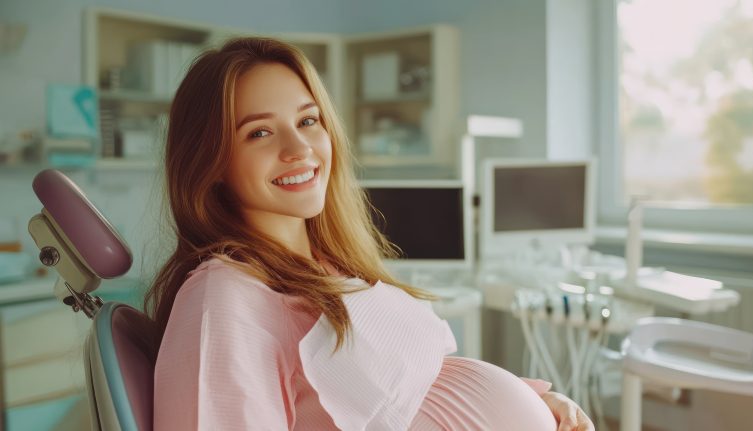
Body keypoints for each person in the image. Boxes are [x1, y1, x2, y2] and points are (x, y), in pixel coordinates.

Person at [146, 37, 594, 431]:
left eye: (308, 121)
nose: (299, 149)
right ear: (211, 162)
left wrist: (533, 401)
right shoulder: (224, 296)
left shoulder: (326, 265)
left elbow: (412, 386)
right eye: (259, 132)